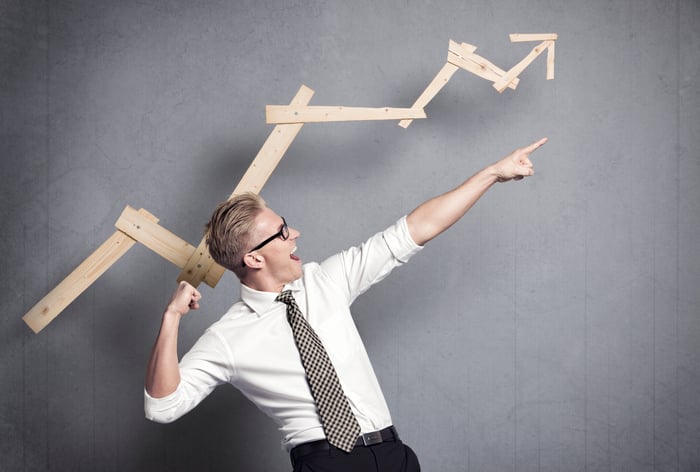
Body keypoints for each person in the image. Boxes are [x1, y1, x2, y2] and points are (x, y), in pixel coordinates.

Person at [144, 137, 548, 471]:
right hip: (325, 462)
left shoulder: (327, 280)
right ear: (254, 258)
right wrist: (171, 317)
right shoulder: (229, 337)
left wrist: (492, 173)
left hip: (393, 455)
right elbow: (163, 407)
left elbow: (415, 229)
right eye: (283, 232)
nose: (295, 233)